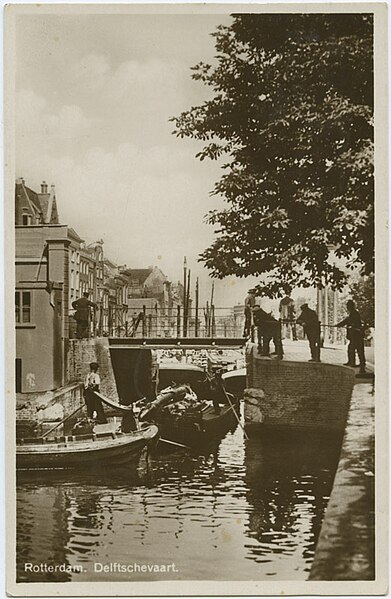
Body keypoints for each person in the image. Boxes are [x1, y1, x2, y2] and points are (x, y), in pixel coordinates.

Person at [336, 300, 366, 373]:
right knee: (352, 349)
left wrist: (340, 324)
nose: (347, 307)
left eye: (348, 306)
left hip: (357, 335)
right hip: (355, 335)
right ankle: (352, 362)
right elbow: (347, 321)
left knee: (358, 350)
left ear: (351, 306)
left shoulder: (354, 313)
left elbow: (348, 321)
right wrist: (339, 325)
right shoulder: (353, 313)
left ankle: (361, 366)